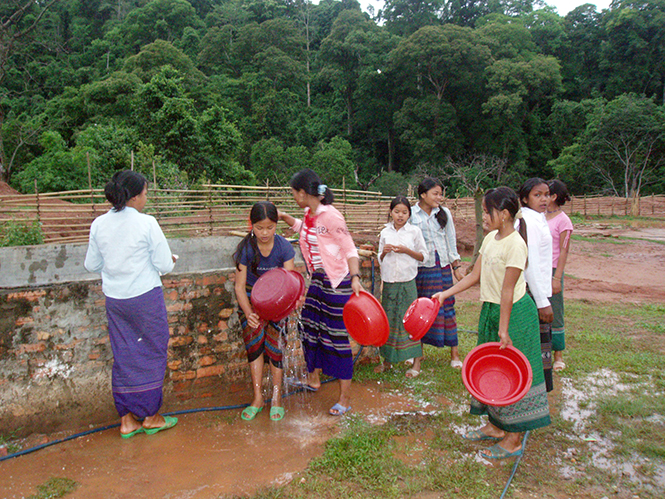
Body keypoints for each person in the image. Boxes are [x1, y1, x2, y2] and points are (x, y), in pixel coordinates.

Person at [433, 186, 551, 459]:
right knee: (492, 368)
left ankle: (514, 438)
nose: (484, 216)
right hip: (492, 310)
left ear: (506, 214)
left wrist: (503, 328)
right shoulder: (490, 240)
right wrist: (445, 294)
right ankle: (496, 426)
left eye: (488, 212)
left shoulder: (516, 245)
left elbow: (508, 290)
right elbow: (475, 276)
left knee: (516, 372)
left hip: (515, 315)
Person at [84, 170, 178, 438]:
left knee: (124, 354)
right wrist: (170, 260)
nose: (146, 198)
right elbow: (162, 265)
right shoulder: (146, 223)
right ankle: (151, 416)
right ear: (135, 196)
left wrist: (115, 264)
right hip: (145, 298)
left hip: (116, 300)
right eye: (146, 193)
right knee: (152, 351)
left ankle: (126, 420)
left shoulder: (99, 224)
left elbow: (92, 264)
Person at [278, 169, 363, 416]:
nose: (293, 196)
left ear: (303, 193)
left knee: (337, 338)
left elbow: (350, 250)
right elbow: (304, 229)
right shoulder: (310, 214)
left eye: (294, 193)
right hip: (317, 281)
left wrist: (355, 278)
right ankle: (313, 379)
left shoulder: (332, 217)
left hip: (337, 283)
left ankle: (345, 399)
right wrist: (284, 217)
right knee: (309, 329)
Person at [233, 201, 296, 422]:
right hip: (251, 300)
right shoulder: (245, 248)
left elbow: (290, 282)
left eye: (270, 227)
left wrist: (286, 304)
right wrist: (248, 312)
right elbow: (239, 287)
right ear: (252, 225)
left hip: (277, 300)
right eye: (259, 227)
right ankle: (258, 397)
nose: (265, 233)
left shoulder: (284, 247)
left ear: (276, 225)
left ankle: (276, 398)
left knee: (275, 349)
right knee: (255, 349)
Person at [409, 177, 463, 370]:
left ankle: (454, 354)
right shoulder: (412, 214)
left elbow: (450, 240)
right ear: (423, 194)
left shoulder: (444, 213)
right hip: (422, 267)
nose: (439, 197)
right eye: (435, 193)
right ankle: (418, 353)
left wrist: (456, 267)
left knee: (447, 305)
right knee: (422, 308)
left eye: (441, 194)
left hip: (442, 266)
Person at [375, 196, 428, 378]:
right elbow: (380, 260)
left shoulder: (414, 232)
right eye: (397, 211)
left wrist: (406, 250)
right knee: (388, 321)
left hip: (407, 282)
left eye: (404, 212)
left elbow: (424, 256)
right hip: (390, 282)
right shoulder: (384, 233)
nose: (400, 215)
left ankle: (416, 363)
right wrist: (384, 252)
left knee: (411, 321)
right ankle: (387, 361)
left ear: (409, 214)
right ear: (391, 212)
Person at [518, 178, 554, 392]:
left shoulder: (539, 218)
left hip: (539, 288)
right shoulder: (527, 221)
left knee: (540, 342)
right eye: (537, 195)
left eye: (547, 194)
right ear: (525, 198)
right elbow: (528, 263)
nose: (544, 199)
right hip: (531, 291)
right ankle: (530, 389)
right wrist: (542, 301)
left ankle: (537, 388)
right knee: (533, 343)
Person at [546, 180, 574, 372]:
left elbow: (564, 251)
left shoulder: (563, 221)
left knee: (555, 309)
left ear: (554, 197)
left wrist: (557, 277)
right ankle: (541, 350)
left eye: (545, 194)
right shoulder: (539, 217)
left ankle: (558, 355)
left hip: (553, 269)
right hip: (538, 269)